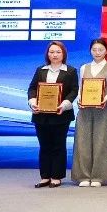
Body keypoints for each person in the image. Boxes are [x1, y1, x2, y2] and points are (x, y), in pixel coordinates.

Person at [27, 41, 78, 188]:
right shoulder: (40, 70)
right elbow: (32, 89)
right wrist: (33, 102)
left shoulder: (71, 71)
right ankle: (45, 176)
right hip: (41, 114)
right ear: (47, 54)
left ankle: (56, 176)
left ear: (63, 54)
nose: (55, 55)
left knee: (58, 145)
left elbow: (74, 90)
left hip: (61, 114)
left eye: (58, 52)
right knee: (44, 145)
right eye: (52, 52)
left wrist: (64, 105)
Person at [73, 37, 107, 187]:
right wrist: (79, 100)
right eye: (94, 50)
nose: (97, 52)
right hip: (85, 109)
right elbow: (81, 88)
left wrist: (105, 99)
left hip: (103, 109)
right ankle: (83, 176)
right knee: (82, 141)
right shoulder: (84, 68)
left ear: (106, 51)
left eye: (100, 50)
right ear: (90, 51)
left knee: (101, 141)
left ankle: (98, 176)